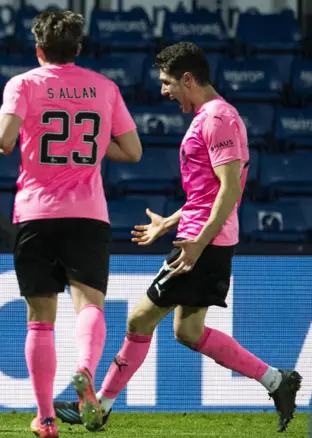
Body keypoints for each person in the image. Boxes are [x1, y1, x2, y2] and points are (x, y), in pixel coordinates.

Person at [53, 42, 302, 433]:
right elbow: (209, 192)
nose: (164, 92)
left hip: (202, 243)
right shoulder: (212, 116)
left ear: (189, 79)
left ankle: (100, 406)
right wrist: (169, 222)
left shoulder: (218, 118)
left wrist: (198, 242)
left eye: (168, 83)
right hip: (200, 236)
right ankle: (276, 380)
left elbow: (230, 188)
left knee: (139, 318)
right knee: (187, 331)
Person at [0, 10, 142, 438]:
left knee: (40, 319)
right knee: (90, 305)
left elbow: (3, 141)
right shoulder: (105, 87)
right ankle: (85, 371)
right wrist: (90, 147)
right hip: (88, 213)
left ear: (39, 49)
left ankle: (45, 418)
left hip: (36, 213)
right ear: (78, 48)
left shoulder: (23, 84)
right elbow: (132, 151)